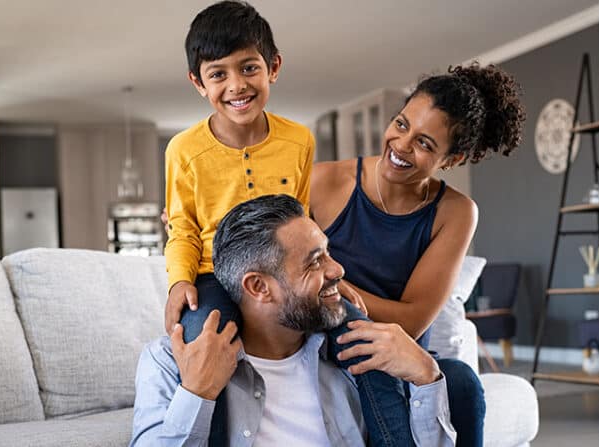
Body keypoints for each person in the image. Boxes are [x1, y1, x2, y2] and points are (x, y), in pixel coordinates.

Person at [164, 2, 417, 445]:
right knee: (208, 350)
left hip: (283, 272)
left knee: (362, 335)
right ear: (198, 83)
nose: (237, 85)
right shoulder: (183, 151)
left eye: (248, 68)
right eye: (218, 74)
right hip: (212, 274)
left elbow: (301, 223)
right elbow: (182, 228)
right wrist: (178, 281)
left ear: (273, 67)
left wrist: (326, 277)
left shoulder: (298, 139)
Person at [310, 63, 526, 446]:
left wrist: (339, 287)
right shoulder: (322, 181)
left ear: (452, 160)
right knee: (366, 350)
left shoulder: (455, 212)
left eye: (425, 144)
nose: (401, 145)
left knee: (461, 382)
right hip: (329, 342)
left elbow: (412, 320)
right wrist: (340, 304)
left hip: (404, 355)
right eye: (402, 124)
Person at [132, 194, 456, 446]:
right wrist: (197, 393)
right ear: (259, 287)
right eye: (315, 262)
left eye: (328, 253)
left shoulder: (357, 356)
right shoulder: (168, 363)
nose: (338, 271)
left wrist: (427, 377)